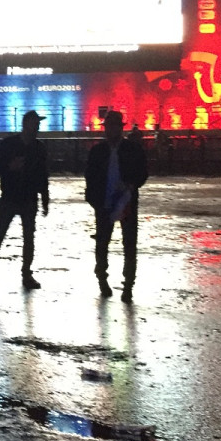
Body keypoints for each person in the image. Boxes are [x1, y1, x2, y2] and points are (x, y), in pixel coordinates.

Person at [0, 110, 49, 290]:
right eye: (35, 124)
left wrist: (45, 198)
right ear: (26, 124)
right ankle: (7, 273)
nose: (37, 127)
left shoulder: (30, 146)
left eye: (37, 124)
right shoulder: (22, 146)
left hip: (21, 197)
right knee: (6, 236)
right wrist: (10, 166)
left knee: (13, 236)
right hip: (13, 197)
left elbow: (43, 175)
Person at [84, 110, 148, 302]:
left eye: (113, 126)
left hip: (121, 201)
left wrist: (130, 185)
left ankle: (123, 284)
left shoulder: (102, 151)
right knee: (112, 243)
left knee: (122, 243)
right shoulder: (127, 149)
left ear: (119, 128)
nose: (110, 130)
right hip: (112, 202)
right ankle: (112, 281)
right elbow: (90, 177)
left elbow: (142, 173)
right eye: (109, 127)